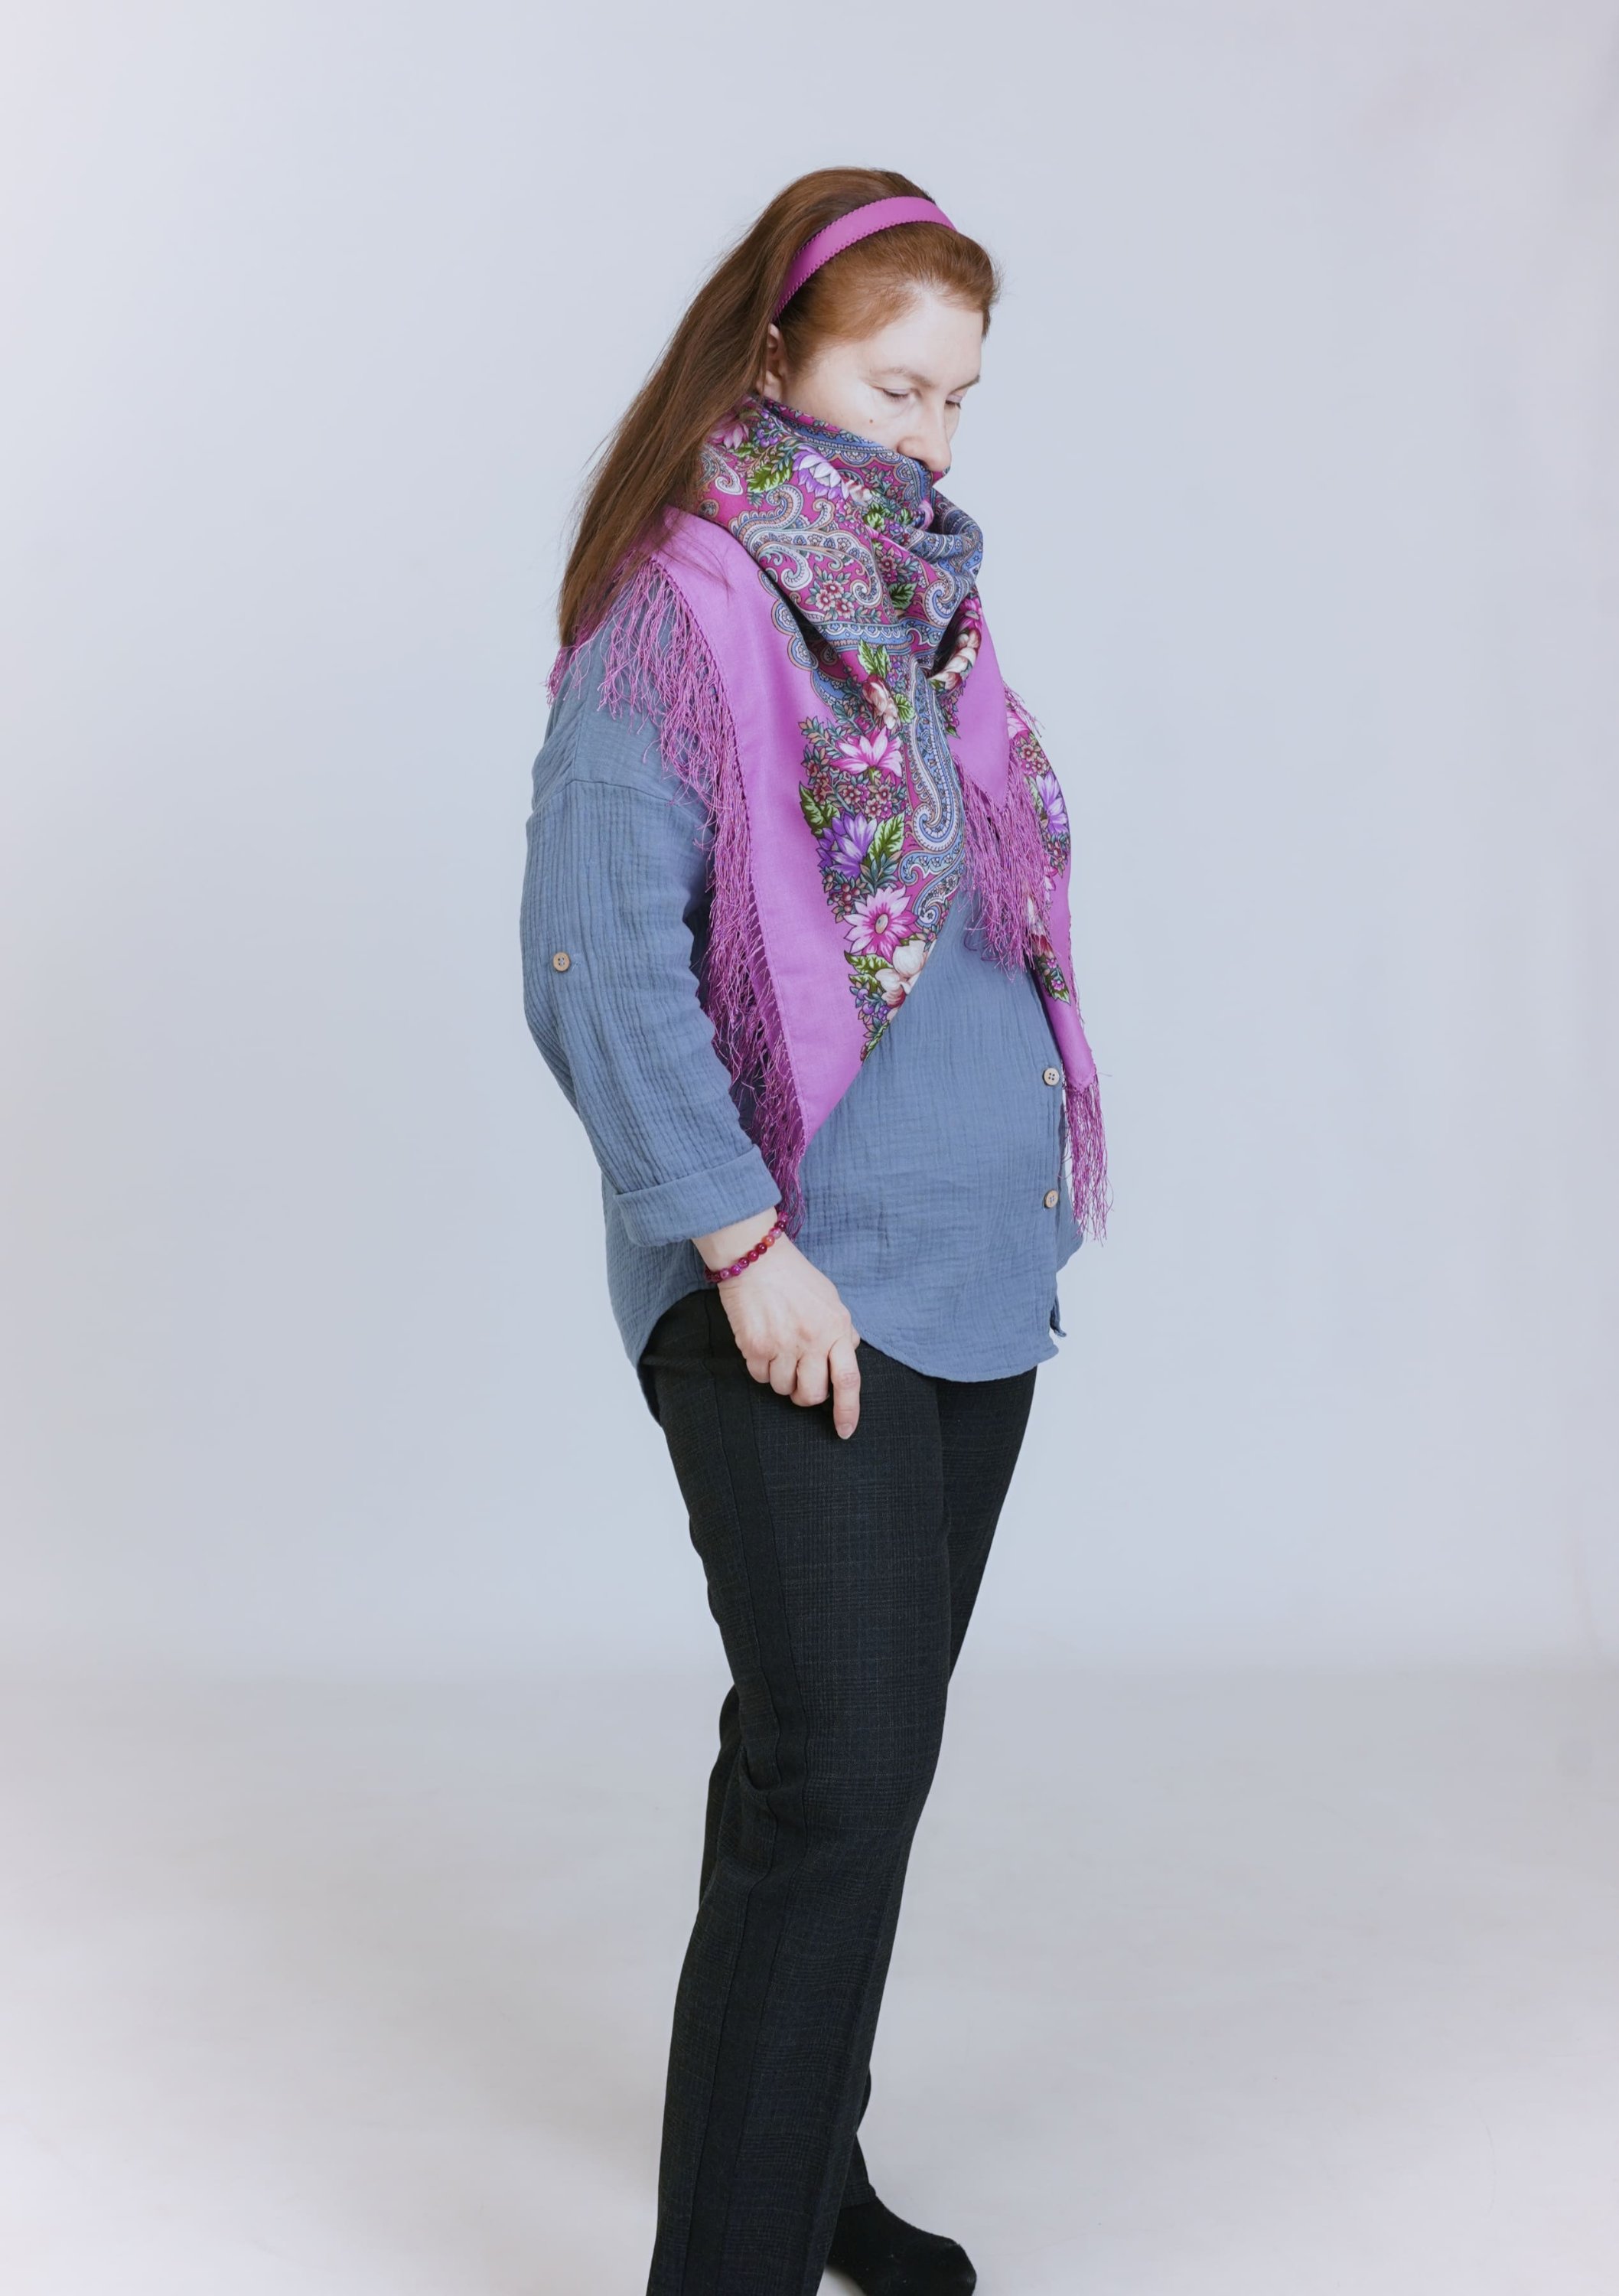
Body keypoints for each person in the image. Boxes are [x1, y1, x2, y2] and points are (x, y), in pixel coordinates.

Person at [520, 166, 1108, 2296]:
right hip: (797, 1283)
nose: (930, 439)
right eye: (892, 387)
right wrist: (739, 1245)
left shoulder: (923, 610)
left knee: (841, 1771)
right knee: (837, 1775)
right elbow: (598, 959)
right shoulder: (675, 617)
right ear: (773, 356)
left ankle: (800, 2171)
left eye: (958, 399)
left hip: (970, 1271)